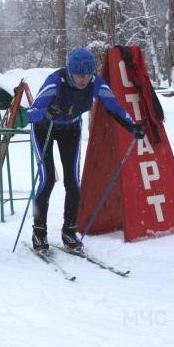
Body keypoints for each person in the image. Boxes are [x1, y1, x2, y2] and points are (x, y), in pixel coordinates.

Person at [26, 48, 145, 254]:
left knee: (73, 182)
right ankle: (39, 232)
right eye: (80, 74)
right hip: (45, 127)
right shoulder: (55, 82)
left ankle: (69, 232)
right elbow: (30, 114)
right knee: (46, 181)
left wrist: (132, 126)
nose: (84, 79)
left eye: (88, 74)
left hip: (71, 128)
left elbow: (115, 107)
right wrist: (46, 112)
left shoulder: (95, 82)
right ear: (71, 71)